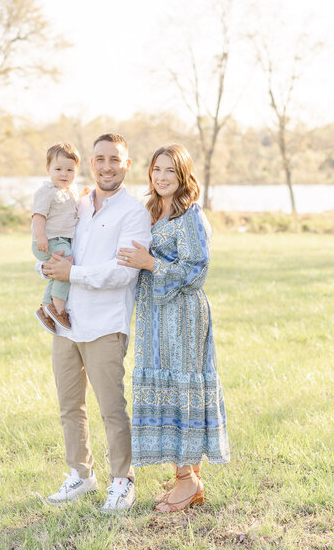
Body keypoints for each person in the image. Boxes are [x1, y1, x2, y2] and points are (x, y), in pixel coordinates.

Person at [38, 133, 152, 512]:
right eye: (100, 159)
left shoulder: (134, 213)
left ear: (127, 165)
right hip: (67, 322)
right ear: (91, 162)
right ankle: (81, 475)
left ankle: (123, 480)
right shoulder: (77, 203)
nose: (106, 166)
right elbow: (54, 245)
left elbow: (123, 272)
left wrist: (72, 274)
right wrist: (46, 268)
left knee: (111, 408)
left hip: (106, 324)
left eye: (114, 160)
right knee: (70, 405)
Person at [116, 143, 230, 512]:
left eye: (171, 171)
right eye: (157, 170)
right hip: (154, 314)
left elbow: (197, 271)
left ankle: (186, 478)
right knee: (163, 385)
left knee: (180, 387)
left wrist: (151, 263)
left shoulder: (190, 215)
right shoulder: (151, 210)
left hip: (181, 315)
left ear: (183, 177)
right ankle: (189, 479)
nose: (162, 177)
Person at [32, 142, 79, 334]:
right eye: (58, 169)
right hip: (50, 240)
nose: (64, 174)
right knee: (66, 269)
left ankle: (45, 308)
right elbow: (38, 216)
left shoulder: (68, 191)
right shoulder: (47, 192)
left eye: (70, 170)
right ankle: (59, 310)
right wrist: (41, 237)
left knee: (55, 275)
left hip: (60, 240)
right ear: (48, 169)